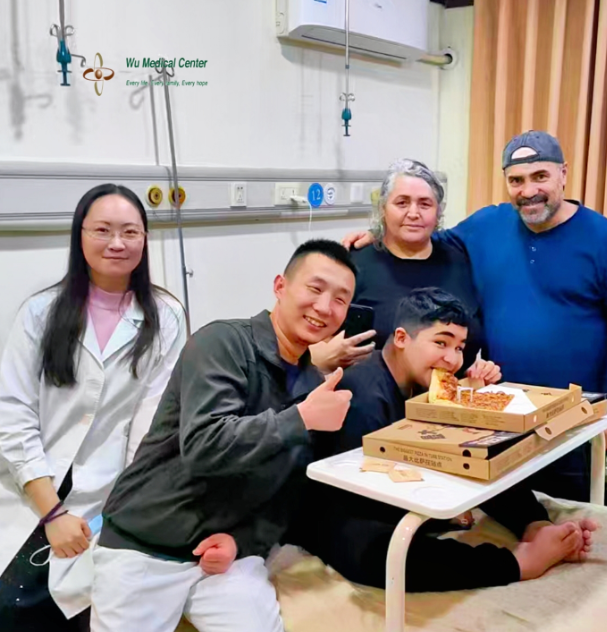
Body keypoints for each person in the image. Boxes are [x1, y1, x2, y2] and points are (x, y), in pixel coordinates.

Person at [344, 132, 607, 501]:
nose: (528, 190)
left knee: (570, 514)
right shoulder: (486, 225)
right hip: (496, 415)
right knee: (510, 512)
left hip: (571, 415)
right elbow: (423, 237)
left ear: (563, 174)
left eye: (540, 176)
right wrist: (375, 235)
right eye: (516, 180)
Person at [90, 240, 358, 632]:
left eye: (340, 299)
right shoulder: (222, 343)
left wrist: (243, 541)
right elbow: (204, 445)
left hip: (225, 552)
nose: (324, 307)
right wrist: (299, 418)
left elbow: (287, 494)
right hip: (146, 544)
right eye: (315, 289)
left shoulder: (312, 385)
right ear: (280, 286)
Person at [293, 288, 597, 592]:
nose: (452, 360)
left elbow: (470, 458)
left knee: (478, 455)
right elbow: (367, 496)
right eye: (441, 343)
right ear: (401, 338)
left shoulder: (426, 383)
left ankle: (536, 528)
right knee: (375, 550)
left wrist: (472, 401)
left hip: (384, 503)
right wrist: (447, 513)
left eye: (459, 347)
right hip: (344, 512)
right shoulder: (364, 396)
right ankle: (518, 563)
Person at [0, 184, 187, 631]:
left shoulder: (166, 316)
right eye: (102, 230)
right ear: (80, 236)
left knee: (84, 605)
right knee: (11, 603)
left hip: (110, 494)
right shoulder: (40, 312)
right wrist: (52, 512)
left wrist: (126, 512)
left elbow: (152, 424)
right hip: (33, 482)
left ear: (145, 239)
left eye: (130, 232)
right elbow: (13, 414)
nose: (117, 243)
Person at [311, 159, 483, 376]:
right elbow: (310, 340)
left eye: (425, 204)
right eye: (402, 203)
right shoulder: (352, 265)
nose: (413, 213)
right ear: (383, 209)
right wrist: (320, 360)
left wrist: (473, 370)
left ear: (438, 212)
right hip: (371, 394)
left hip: (451, 393)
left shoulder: (460, 260)